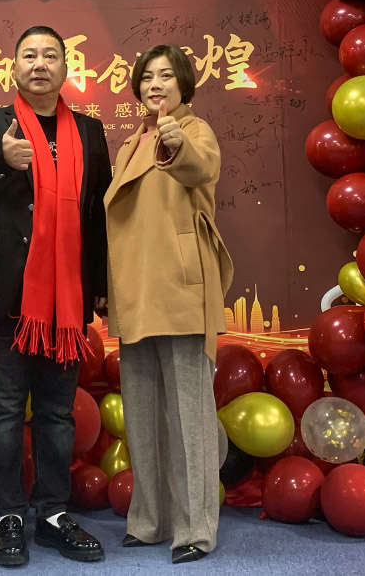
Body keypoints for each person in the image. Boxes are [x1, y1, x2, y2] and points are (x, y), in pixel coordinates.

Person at [0, 25, 112, 567]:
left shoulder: (89, 131)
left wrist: (99, 287)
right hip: (6, 291)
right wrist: (0, 157)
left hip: (67, 294)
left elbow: (98, 214)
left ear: (66, 68)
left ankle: (51, 514)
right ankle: (9, 515)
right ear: (14, 67)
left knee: (56, 412)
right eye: (29, 55)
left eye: (50, 55)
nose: (39, 64)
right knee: (2, 410)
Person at [102, 44, 233, 564]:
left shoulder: (193, 131)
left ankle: (195, 528)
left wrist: (176, 143)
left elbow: (200, 169)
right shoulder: (130, 143)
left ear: (183, 85)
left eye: (165, 76)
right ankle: (149, 520)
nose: (155, 85)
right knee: (141, 412)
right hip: (134, 288)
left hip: (180, 286)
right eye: (147, 77)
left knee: (190, 413)